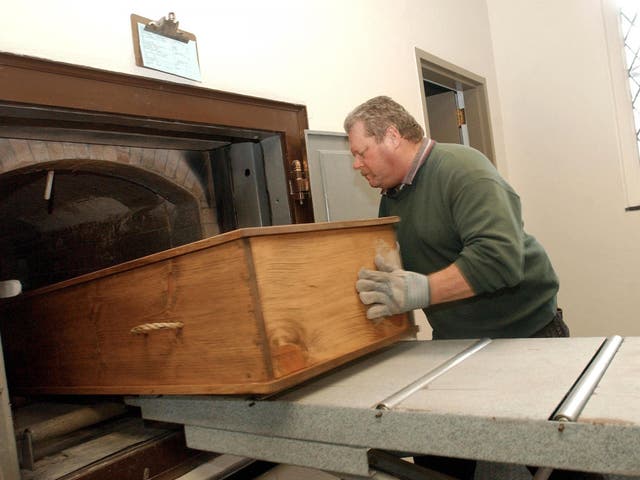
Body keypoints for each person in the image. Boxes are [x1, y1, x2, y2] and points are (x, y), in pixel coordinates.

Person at [343, 96, 600, 480]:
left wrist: (421, 290)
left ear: (392, 137)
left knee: (561, 459)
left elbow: (499, 260)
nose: (356, 164)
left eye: (361, 153)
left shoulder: (464, 169)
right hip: (459, 343)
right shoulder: (393, 198)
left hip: (526, 335)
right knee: (441, 454)